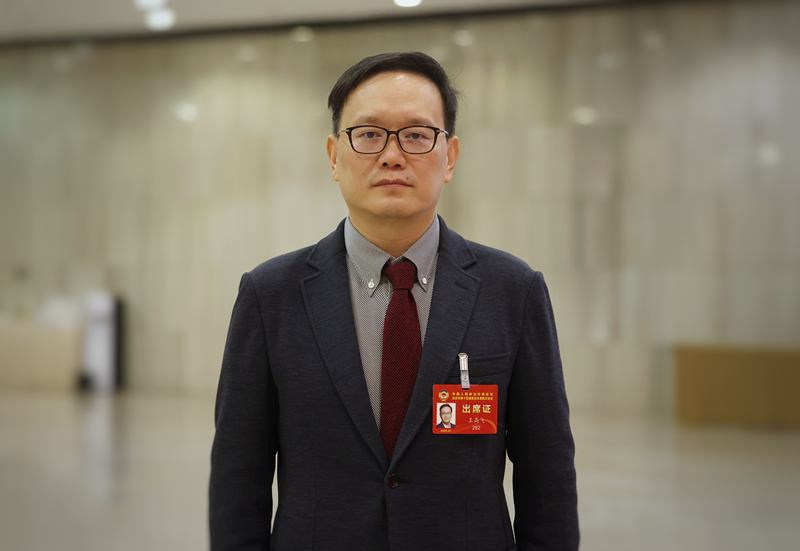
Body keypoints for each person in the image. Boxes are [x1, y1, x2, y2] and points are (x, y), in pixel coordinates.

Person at [209, 51, 578, 551]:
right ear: (334, 156)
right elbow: (238, 478)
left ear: (450, 157)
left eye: (417, 135)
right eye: (368, 134)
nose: (392, 155)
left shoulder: (512, 291)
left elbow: (547, 475)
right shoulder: (269, 295)